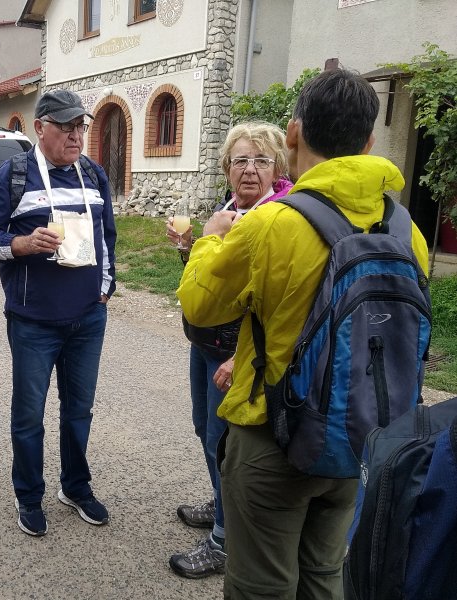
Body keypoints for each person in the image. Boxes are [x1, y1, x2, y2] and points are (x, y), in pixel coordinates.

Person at [177, 69, 429, 598]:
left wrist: (206, 240)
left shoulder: (271, 226)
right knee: (323, 575)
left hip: (276, 437)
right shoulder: (408, 233)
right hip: (362, 434)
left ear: (292, 135)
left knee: (260, 586)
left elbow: (199, 309)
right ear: (368, 143)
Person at [0, 89, 116, 537]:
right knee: (30, 414)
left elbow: (107, 236)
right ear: (40, 128)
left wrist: (104, 291)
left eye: (81, 127)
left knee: (79, 411)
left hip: (88, 318)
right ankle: (28, 495)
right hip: (34, 322)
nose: (76, 136)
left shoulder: (93, 173)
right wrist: (21, 244)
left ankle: (75, 486)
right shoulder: (11, 177)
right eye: (67, 127)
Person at [166, 121, 292, 579]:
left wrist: (242, 359)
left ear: (278, 166)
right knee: (206, 431)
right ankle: (222, 504)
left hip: (236, 354)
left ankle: (225, 538)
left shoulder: (276, 218)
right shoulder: (231, 208)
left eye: (261, 160)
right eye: (241, 160)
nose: (250, 170)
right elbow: (214, 281)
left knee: (226, 444)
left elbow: (283, 302)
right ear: (227, 168)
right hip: (205, 343)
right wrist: (191, 249)